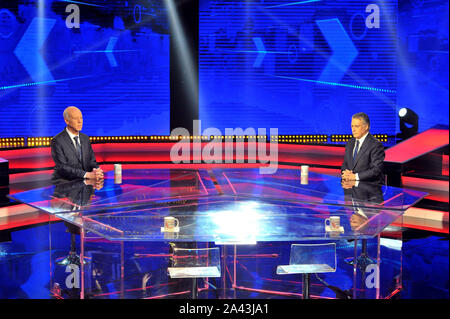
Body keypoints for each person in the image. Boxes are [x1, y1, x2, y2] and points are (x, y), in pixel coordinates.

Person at [51, 106, 103, 181]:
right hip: (66, 184)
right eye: (75, 118)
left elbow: (92, 161)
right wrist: (86, 174)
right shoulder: (57, 140)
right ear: (67, 121)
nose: (80, 121)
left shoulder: (85, 138)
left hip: (86, 183)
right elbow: (62, 167)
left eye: (81, 118)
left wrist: (97, 170)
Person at [341, 112, 385, 184]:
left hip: (370, 189)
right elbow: (345, 164)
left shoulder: (375, 145)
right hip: (351, 187)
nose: (353, 129)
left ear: (366, 127)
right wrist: (345, 173)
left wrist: (355, 177)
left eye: (357, 126)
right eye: (352, 126)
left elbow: (376, 170)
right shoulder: (350, 143)